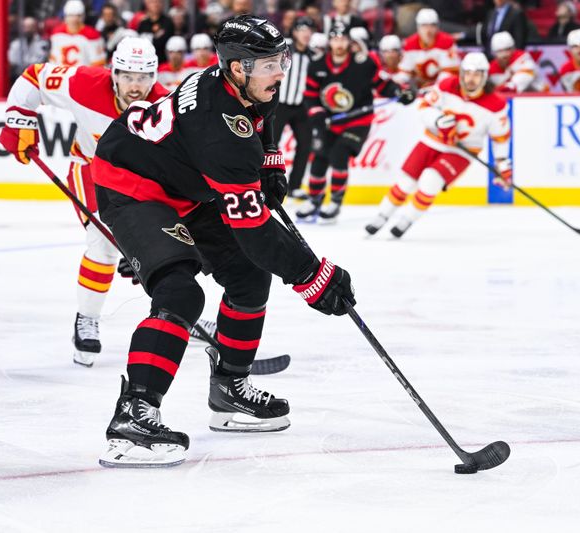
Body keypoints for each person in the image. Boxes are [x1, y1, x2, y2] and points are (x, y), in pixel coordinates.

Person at [91, 15, 355, 468]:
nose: (281, 72)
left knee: (249, 278)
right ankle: (134, 416)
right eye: (270, 63)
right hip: (131, 183)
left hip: (185, 180)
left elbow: (262, 113)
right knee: (180, 290)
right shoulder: (218, 128)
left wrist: (270, 161)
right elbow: (252, 230)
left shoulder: (243, 84)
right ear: (238, 68)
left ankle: (229, 389)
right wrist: (312, 276)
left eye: (281, 60)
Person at [0, 37, 197, 367]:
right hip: (90, 170)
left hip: (136, 181)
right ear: (113, 72)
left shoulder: (167, 107)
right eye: (128, 76)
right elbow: (33, 77)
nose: (136, 87)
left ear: (155, 76)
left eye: (144, 77)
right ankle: (86, 319)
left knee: (178, 242)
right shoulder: (85, 83)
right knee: (103, 244)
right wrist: (19, 117)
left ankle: (176, 309)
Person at [365, 53, 512, 238]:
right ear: (461, 74)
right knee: (406, 181)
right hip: (431, 141)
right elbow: (425, 107)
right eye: (467, 73)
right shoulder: (446, 86)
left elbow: (500, 138)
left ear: (485, 77)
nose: (471, 79)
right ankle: (382, 215)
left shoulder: (496, 105)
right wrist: (439, 121)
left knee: (430, 180)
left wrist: (502, 164)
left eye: (477, 74)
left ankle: (407, 220)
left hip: (462, 151)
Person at [296, 20, 413, 221]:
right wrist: (317, 115)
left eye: (343, 39)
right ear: (330, 41)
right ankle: (314, 199)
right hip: (329, 120)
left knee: (339, 154)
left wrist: (399, 92)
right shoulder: (317, 64)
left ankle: (335, 202)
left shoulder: (364, 63)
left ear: (350, 41)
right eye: (335, 39)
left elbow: (382, 84)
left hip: (358, 120)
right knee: (320, 157)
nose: (339, 44)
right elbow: (310, 94)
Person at [273, 16, 315, 200]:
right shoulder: (283, 50)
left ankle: (295, 185)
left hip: (301, 107)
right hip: (279, 104)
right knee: (271, 146)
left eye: (308, 31)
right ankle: (268, 183)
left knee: (306, 145)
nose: (305, 34)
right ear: (294, 32)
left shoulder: (312, 55)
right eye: (301, 30)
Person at [394, 8, 460, 89]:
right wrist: (395, 82)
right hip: (420, 89)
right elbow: (405, 72)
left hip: (442, 89)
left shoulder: (447, 42)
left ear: (437, 27)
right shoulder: (409, 44)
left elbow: (449, 73)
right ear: (418, 27)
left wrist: (435, 88)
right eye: (424, 25)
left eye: (432, 25)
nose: (428, 30)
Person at [49, 0, 106, 67]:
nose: (74, 19)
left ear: (83, 17)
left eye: (78, 16)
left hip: (83, 75)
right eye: (71, 15)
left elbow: (98, 64)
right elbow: (53, 60)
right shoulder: (57, 33)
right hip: (62, 75)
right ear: (65, 17)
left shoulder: (92, 35)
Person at [8, 17, 49, 82]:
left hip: (36, 78)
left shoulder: (42, 43)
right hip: (18, 77)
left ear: (35, 27)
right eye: (25, 27)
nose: (28, 29)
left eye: (30, 26)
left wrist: (23, 66)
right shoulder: (16, 43)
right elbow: (12, 60)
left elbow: (39, 61)